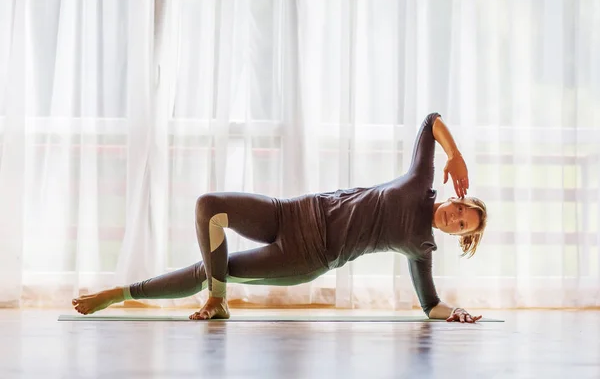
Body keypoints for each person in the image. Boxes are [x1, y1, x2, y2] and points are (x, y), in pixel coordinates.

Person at [72, 113, 487, 323]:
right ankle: (216, 298)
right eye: (463, 210)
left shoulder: (422, 246)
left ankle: (123, 293)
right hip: (293, 212)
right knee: (208, 205)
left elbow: (429, 303)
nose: (457, 218)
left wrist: (455, 312)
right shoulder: (421, 181)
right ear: (457, 198)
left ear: (457, 235)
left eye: (463, 225)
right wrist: (454, 153)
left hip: (307, 256)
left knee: (211, 270)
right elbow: (431, 121)